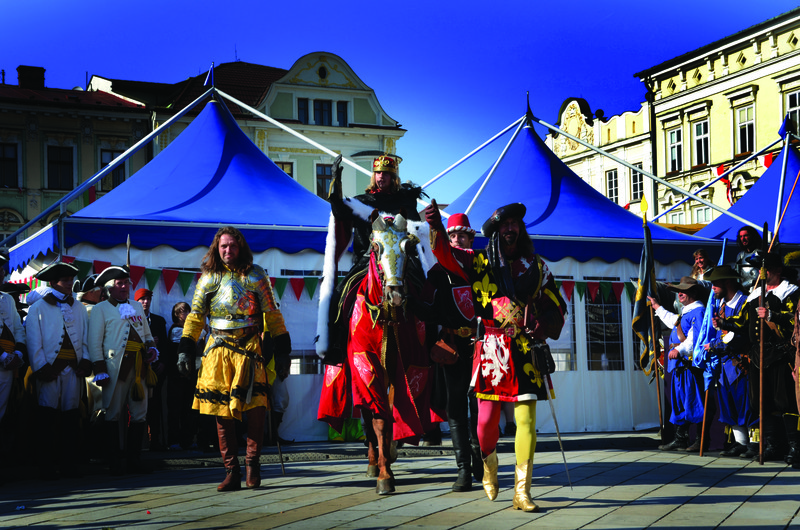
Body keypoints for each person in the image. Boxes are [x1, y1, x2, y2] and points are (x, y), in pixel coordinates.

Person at [424, 202, 566, 512]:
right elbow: (446, 256)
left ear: (521, 230)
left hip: (526, 350)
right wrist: (436, 228)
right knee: (486, 422)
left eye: (515, 223)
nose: (511, 228)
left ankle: (522, 492)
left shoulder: (536, 266)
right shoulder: (477, 261)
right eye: (505, 224)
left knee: (526, 420)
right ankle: (488, 463)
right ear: (496, 231)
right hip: (492, 349)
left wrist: (541, 323)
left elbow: (556, 304)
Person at [177, 226, 291, 491]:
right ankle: (231, 470)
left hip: (249, 348)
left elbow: (273, 315)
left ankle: (253, 466)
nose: (228, 250)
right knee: (221, 412)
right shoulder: (207, 279)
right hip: (217, 351)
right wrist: (185, 347)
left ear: (241, 247)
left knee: (256, 408)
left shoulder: (256, 275)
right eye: (223, 246)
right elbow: (195, 317)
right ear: (217, 249)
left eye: (233, 245)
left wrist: (283, 350)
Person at [322, 153, 425, 363]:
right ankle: (337, 345)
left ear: (393, 177)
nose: (381, 177)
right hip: (367, 260)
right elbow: (340, 212)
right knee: (340, 294)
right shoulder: (361, 201)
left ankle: (430, 344)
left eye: (385, 173)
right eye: (378, 173)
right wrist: (335, 182)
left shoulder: (405, 202)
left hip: (400, 261)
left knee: (426, 289)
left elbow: (414, 228)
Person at [716, 252, 799, 462]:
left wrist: (773, 316)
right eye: (761, 268)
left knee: (786, 402)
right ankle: (773, 446)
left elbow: (795, 320)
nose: (763, 272)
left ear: (777, 270)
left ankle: (794, 447)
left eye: (766, 268)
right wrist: (723, 323)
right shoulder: (755, 295)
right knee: (762, 402)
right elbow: (742, 321)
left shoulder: (790, 292)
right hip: (758, 356)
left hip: (781, 354)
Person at [88, 265, 159, 475]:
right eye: (120, 283)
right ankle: (114, 462)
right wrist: (99, 368)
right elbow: (94, 342)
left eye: (127, 283)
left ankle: (134, 460)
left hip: (139, 367)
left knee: (139, 414)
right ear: (110, 287)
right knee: (112, 414)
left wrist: (151, 348)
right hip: (115, 368)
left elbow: (147, 335)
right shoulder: (100, 309)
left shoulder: (136, 306)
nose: (125, 287)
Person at [26, 261, 92, 478]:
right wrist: (42, 367)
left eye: (71, 280)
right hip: (50, 369)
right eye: (65, 280)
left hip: (73, 369)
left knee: (71, 416)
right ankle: (46, 465)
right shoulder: (38, 308)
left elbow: (85, 337)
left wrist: (85, 361)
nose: (69, 284)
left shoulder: (78, 307)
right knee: (47, 417)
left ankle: (68, 464)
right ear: (53, 282)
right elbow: (34, 342)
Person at [434, 212, 482, 491]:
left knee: (478, 406)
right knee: (455, 408)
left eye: (461, 235)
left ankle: (479, 459)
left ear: (470, 238)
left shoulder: (481, 265)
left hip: (479, 346)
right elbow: (430, 307)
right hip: (452, 347)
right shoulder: (438, 271)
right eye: (452, 236)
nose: (456, 239)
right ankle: (463, 469)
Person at [649, 277, 708, 452]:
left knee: (693, 401)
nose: (680, 294)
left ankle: (700, 440)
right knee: (681, 401)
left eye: (684, 290)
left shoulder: (698, 311)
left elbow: (695, 338)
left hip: (689, 365)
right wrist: (657, 307)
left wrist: (679, 350)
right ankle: (681, 439)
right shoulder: (686, 312)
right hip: (680, 365)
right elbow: (673, 321)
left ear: (694, 293)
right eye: (679, 291)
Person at [703, 265, 753, 456]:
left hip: (741, 363)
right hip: (724, 365)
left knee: (746, 405)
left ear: (727, 282)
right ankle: (740, 443)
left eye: (715, 284)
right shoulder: (721, 304)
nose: (713, 288)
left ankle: (754, 444)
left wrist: (717, 345)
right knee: (729, 405)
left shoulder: (744, 302)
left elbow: (743, 335)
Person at [135, 288, 169, 451]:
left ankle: (155, 440)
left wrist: (163, 363)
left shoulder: (158, 321)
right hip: (137, 369)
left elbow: (166, 345)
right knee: (137, 404)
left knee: (155, 405)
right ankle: (137, 443)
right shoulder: (131, 319)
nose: (145, 302)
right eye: (142, 299)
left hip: (155, 369)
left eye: (148, 299)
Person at [0, 254, 26, 425]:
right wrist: (3, 356)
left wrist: (18, 353)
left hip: (9, 363)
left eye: (1, 270)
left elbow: (18, 329)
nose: (1, 274)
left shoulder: (8, 299)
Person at [734, 226, 762, 292]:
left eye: (745, 236)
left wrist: (742, 286)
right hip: (743, 291)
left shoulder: (759, 253)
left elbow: (757, 277)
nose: (743, 239)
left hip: (757, 290)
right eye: (741, 236)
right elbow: (736, 274)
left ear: (752, 236)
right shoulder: (741, 255)